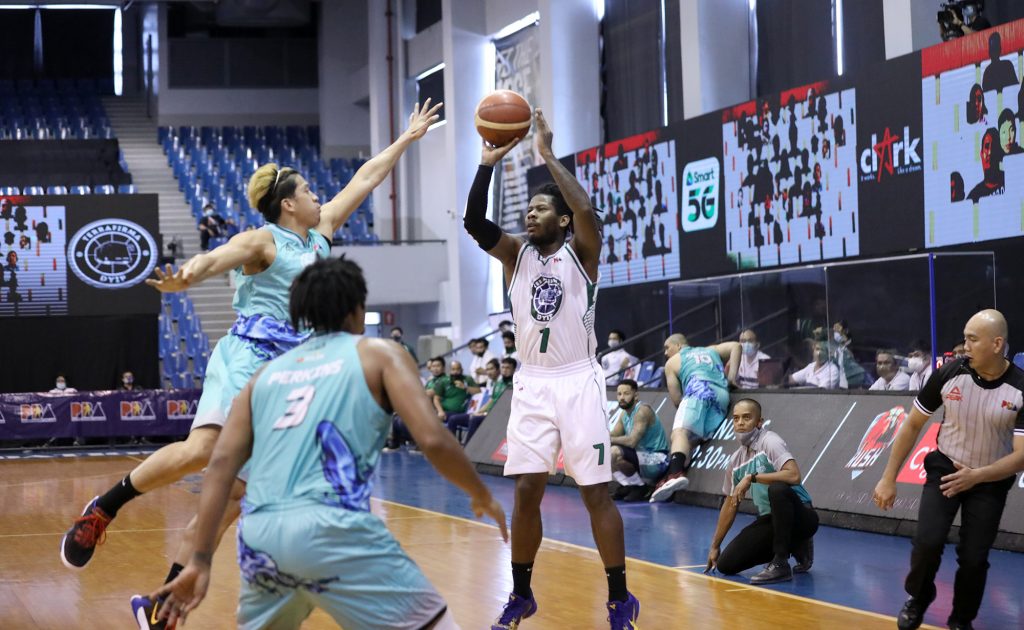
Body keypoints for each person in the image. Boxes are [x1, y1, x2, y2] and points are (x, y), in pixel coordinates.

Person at [59, 100, 442, 584]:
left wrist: (407, 138)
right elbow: (216, 258)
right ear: (288, 204)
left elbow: (365, 178)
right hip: (249, 354)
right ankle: (103, 508)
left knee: (236, 495)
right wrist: (186, 277)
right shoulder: (263, 241)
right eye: (308, 190)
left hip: (290, 373)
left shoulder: (320, 234)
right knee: (203, 450)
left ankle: (168, 597)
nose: (317, 195)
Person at [149, 256, 507, 629]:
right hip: (333, 528)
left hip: (261, 538)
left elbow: (221, 467)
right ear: (357, 309)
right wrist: (481, 493)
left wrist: (200, 559)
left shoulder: (265, 375)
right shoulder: (379, 353)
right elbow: (432, 439)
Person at [463, 108, 640, 627]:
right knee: (525, 491)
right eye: (528, 210)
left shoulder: (583, 253)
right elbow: (474, 222)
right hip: (533, 383)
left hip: (578, 379)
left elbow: (584, 208)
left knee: (594, 493)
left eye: (540, 209)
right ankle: (521, 593)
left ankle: (620, 598)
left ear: (562, 222)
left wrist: (545, 154)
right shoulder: (515, 256)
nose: (530, 216)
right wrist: (486, 164)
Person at [873, 309, 1024, 630]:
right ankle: (918, 598)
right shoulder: (950, 373)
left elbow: (1022, 455)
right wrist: (888, 477)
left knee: (974, 557)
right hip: (945, 467)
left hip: (990, 478)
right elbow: (912, 425)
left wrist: (978, 476)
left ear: (997, 344)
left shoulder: (1020, 388)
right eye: (965, 337)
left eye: (973, 339)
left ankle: (961, 619)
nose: (965, 345)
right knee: (927, 542)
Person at [705, 399, 817, 584]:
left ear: (759, 422)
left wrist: (752, 477)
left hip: (802, 516)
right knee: (726, 564)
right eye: (736, 418)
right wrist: (715, 546)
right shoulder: (736, 461)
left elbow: (794, 475)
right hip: (772, 521)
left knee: (778, 489)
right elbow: (730, 504)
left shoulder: (770, 441)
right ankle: (793, 545)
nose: (740, 423)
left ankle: (781, 563)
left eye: (746, 417)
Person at [649, 334, 740, 503]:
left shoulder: (672, 362)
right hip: (721, 397)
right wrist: (731, 378)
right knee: (693, 440)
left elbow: (676, 399)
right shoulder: (711, 350)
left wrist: (685, 411)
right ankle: (671, 477)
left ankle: (675, 474)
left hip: (697, 391)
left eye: (667, 347)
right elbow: (736, 346)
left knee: (679, 434)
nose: (665, 353)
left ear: (678, 345)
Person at [609, 379, 669, 502]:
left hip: (657, 460)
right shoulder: (624, 414)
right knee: (604, 452)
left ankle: (640, 488)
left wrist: (608, 439)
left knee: (614, 451)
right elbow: (614, 434)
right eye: (619, 394)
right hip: (641, 457)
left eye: (626, 393)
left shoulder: (642, 411)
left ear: (636, 396)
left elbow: (632, 441)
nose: (622, 398)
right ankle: (628, 485)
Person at [446, 357, 516, 444]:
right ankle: (450, 446)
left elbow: (507, 407)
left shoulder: (515, 385)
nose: (504, 370)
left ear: (514, 370)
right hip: (487, 414)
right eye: (503, 367)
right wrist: (478, 412)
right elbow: (491, 401)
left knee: (474, 420)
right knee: (454, 419)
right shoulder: (498, 384)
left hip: (499, 417)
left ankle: (468, 448)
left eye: (508, 368)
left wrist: (485, 413)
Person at [968, 128, 1005, 202]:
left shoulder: (1009, 180)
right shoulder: (974, 195)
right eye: (987, 147)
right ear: (981, 154)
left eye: (994, 147)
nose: (990, 152)